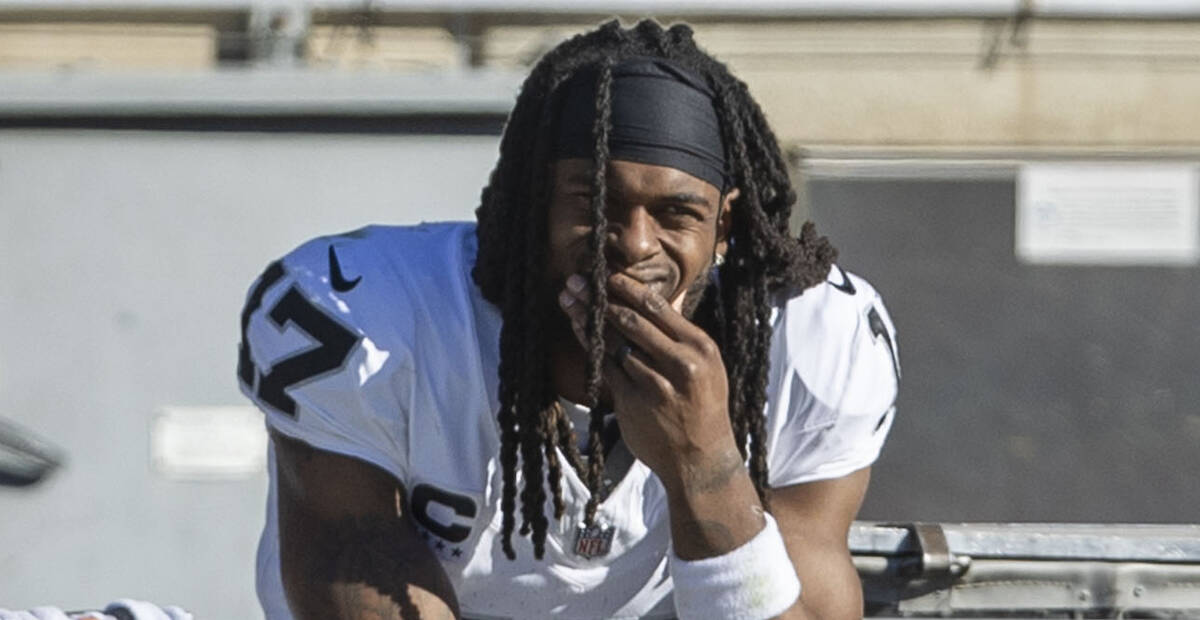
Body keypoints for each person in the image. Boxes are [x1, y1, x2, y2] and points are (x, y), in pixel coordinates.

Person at [239, 19, 899, 620]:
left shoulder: (812, 342)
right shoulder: (369, 316)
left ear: (724, 227)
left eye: (676, 214)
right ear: (535, 205)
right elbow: (353, 589)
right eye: (595, 202)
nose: (634, 245)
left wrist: (706, 467)